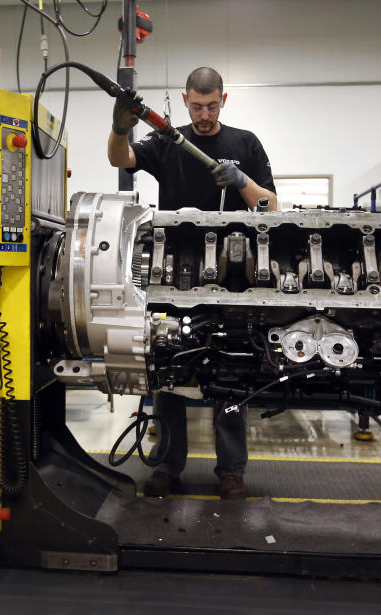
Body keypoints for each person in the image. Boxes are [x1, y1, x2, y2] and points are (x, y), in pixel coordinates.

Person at [107, 67, 278, 499]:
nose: (204, 114)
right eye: (197, 106)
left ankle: (232, 471)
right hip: (174, 272)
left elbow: (272, 205)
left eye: (212, 105)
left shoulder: (246, 143)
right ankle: (166, 465)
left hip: (232, 273)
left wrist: (242, 183)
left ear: (225, 99)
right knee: (169, 367)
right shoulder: (168, 140)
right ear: (184, 100)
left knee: (232, 368)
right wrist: (119, 128)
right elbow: (119, 159)